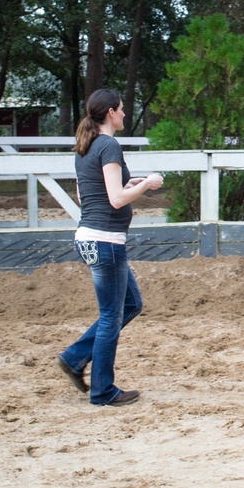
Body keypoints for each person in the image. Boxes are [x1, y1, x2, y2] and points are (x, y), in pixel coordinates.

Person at [56, 88, 164, 406]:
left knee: (130, 305)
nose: (124, 114)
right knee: (110, 316)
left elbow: (88, 194)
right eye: (121, 109)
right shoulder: (108, 145)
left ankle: (75, 358)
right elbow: (115, 200)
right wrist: (145, 184)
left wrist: (130, 183)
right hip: (106, 242)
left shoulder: (85, 147)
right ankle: (103, 390)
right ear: (110, 113)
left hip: (88, 237)